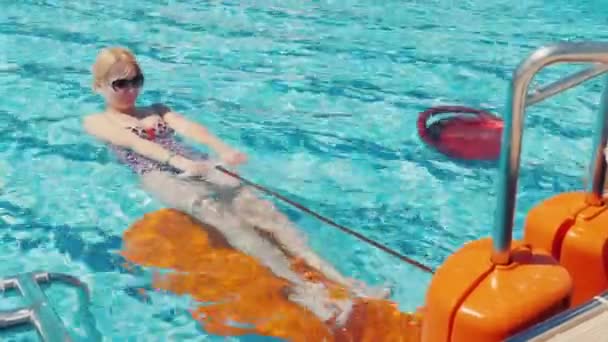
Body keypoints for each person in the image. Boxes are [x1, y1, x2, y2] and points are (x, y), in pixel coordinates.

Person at [82, 47, 389, 325]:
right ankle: (305, 292)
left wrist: (221, 149)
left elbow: (190, 128)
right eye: (120, 84)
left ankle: (346, 283)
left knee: (267, 215)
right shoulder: (97, 121)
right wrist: (181, 164)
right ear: (99, 86)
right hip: (158, 173)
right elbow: (135, 144)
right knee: (224, 218)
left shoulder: (157, 109)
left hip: (197, 163)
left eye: (136, 80)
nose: (131, 89)